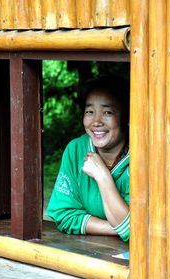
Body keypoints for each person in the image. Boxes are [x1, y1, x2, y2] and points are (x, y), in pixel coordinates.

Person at [46, 75, 130, 242]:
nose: (96, 122)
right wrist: (116, 228)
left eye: (107, 112)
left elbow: (141, 228)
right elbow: (64, 214)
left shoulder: (145, 156)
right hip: (91, 253)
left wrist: (103, 177)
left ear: (126, 117)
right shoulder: (76, 150)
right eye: (90, 112)